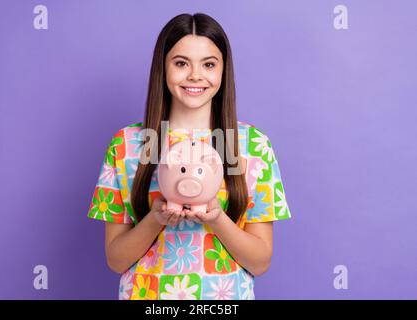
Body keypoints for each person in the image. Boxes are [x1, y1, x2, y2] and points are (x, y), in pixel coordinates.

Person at [87, 13, 292, 300]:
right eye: (181, 63)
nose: (195, 75)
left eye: (208, 64)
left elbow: (260, 262)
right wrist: (156, 218)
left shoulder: (250, 145)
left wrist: (217, 218)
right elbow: (116, 260)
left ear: (223, 70)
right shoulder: (129, 144)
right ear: (163, 68)